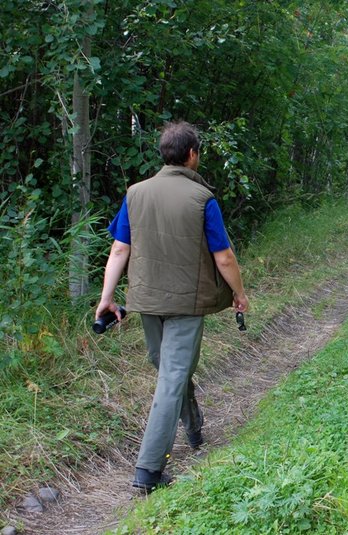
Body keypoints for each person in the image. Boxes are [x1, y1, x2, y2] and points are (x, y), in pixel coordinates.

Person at [95, 121, 249, 492]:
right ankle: (148, 470)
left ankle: (193, 425)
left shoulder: (135, 194)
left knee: (169, 371)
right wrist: (240, 294)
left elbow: (119, 248)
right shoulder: (202, 199)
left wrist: (106, 297)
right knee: (171, 374)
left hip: (147, 301)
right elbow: (224, 257)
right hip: (186, 302)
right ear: (192, 154)